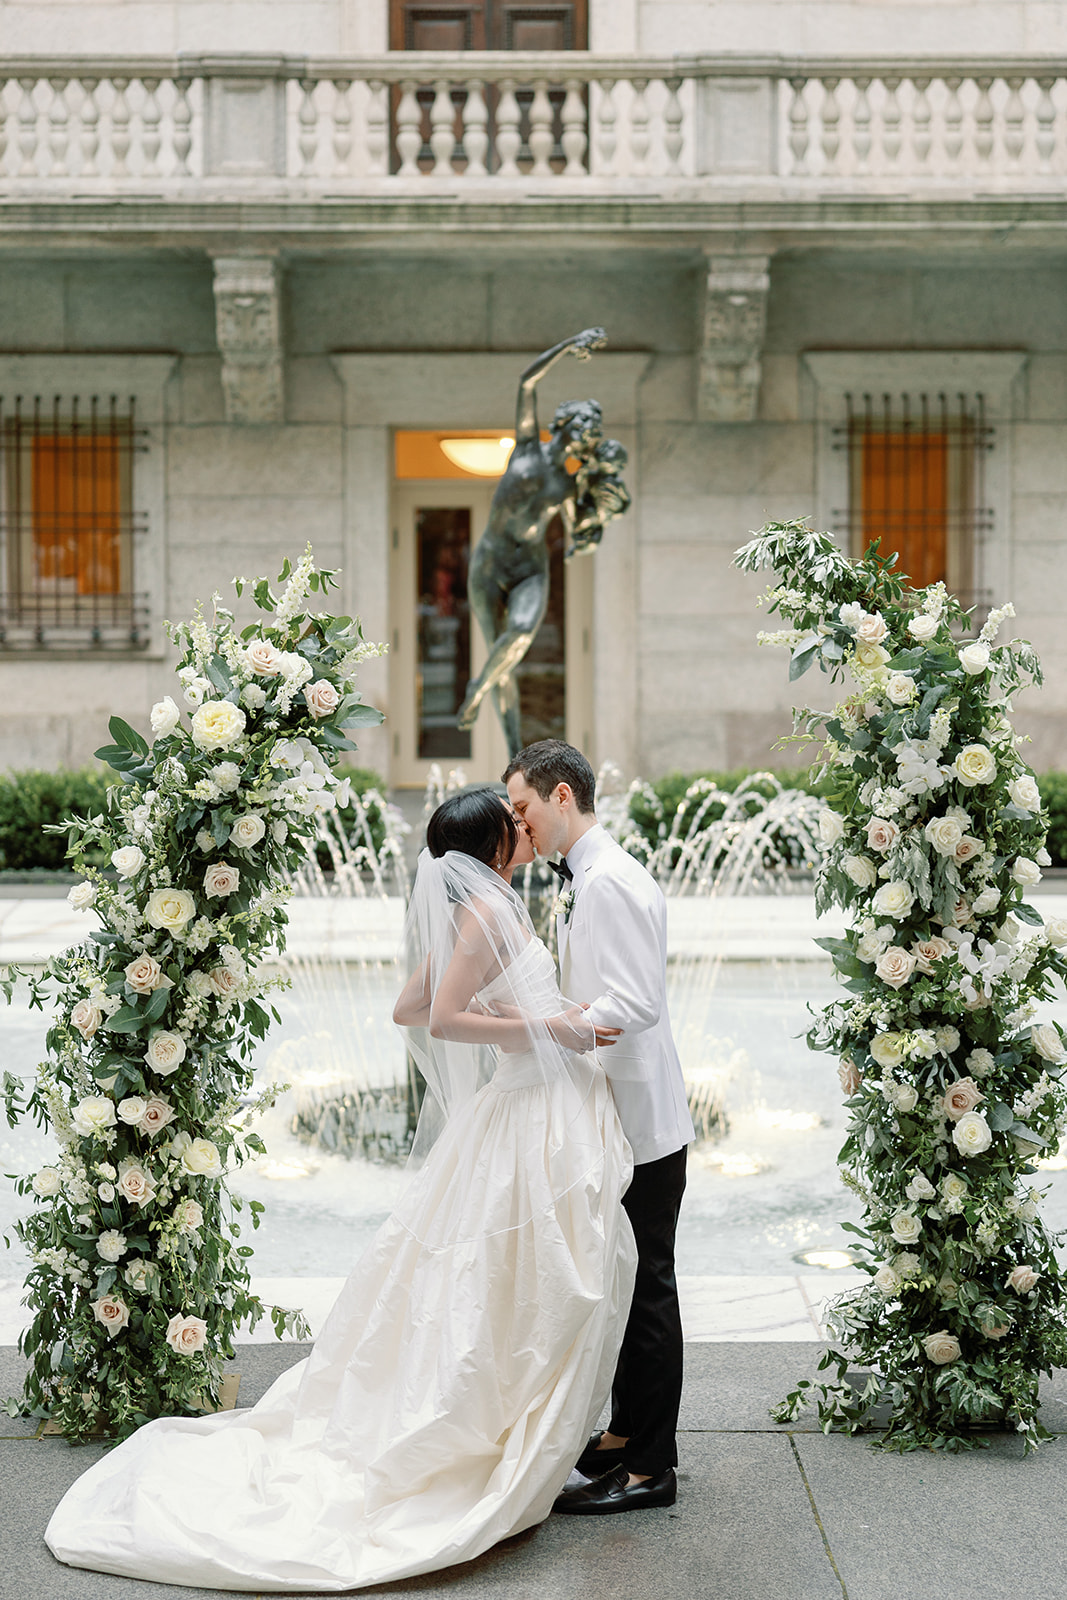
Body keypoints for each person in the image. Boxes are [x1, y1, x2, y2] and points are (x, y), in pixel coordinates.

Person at [44, 790, 637, 1591]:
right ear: (495, 845)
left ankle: (515, 1421)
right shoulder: (486, 914)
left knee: (503, 1274)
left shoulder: (484, 908)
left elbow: (409, 1005)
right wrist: (551, 1029)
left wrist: (538, 1011)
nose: (523, 823)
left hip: (531, 1102)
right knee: (521, 1275)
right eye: (512, 818)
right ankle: (498, 1430)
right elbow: (437, 1019)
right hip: (529, 1107)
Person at [504, 740, 695, 1515]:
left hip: (639, 1115)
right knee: (624, 1277)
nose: (518, 823)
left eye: (522, 807)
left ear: (561, 796)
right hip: (620, 1107)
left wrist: (557, 1026)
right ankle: (623, 1436)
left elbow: (636, 1000)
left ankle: (651, 1468)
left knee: (645, 1285)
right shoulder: (594, 874)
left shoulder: (609, 880)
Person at [456, 327, 631, 757]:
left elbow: (577, 534)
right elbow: (527, 382)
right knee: (504, 662)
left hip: (530, 570)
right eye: (586, 424)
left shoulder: (570, 484)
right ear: (567, 422)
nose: (590, 433)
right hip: (490, 563)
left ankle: (477, 689)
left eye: (594, 430)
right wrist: (568, 346)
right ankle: (514, 754)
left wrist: (598, 518)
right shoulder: (527, 446)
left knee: (517, 636)